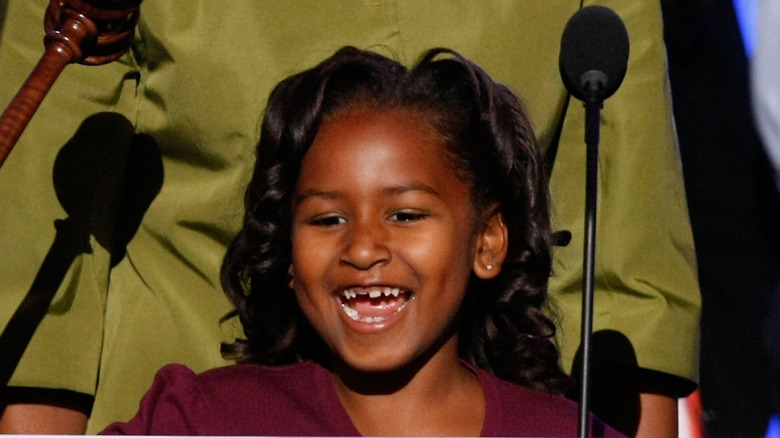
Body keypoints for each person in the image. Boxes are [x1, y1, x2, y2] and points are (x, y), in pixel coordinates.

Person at [0, 1, 699, 436]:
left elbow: (627, 255)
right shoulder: (183, 417)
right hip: (181, 380)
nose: (367, 246)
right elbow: (46, 209)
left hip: (496, 388)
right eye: (331, 219)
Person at [99, 46, 619, 436]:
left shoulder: (571, 432)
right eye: (327, 220)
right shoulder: (202, 420)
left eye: (406, 215)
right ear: (285, 251)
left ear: (487, 242)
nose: (363, 248)